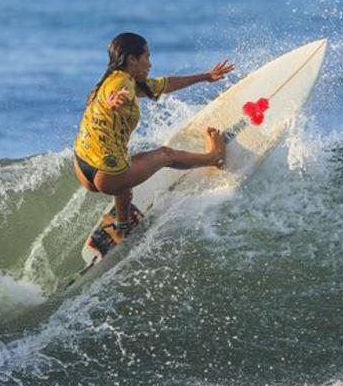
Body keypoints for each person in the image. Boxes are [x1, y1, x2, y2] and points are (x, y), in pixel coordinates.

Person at [73, 32, 234, 240]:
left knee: (125, 174)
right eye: (146, 57)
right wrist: (115, 101)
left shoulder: (114, 80)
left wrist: (205, 76)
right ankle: (214, 158)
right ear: (132, 59)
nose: (150, 64)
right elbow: (115, 95)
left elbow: (166, 84)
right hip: (107, 175)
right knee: (166, 155)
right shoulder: (121, 84)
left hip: (82, 165)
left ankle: (122, 226)